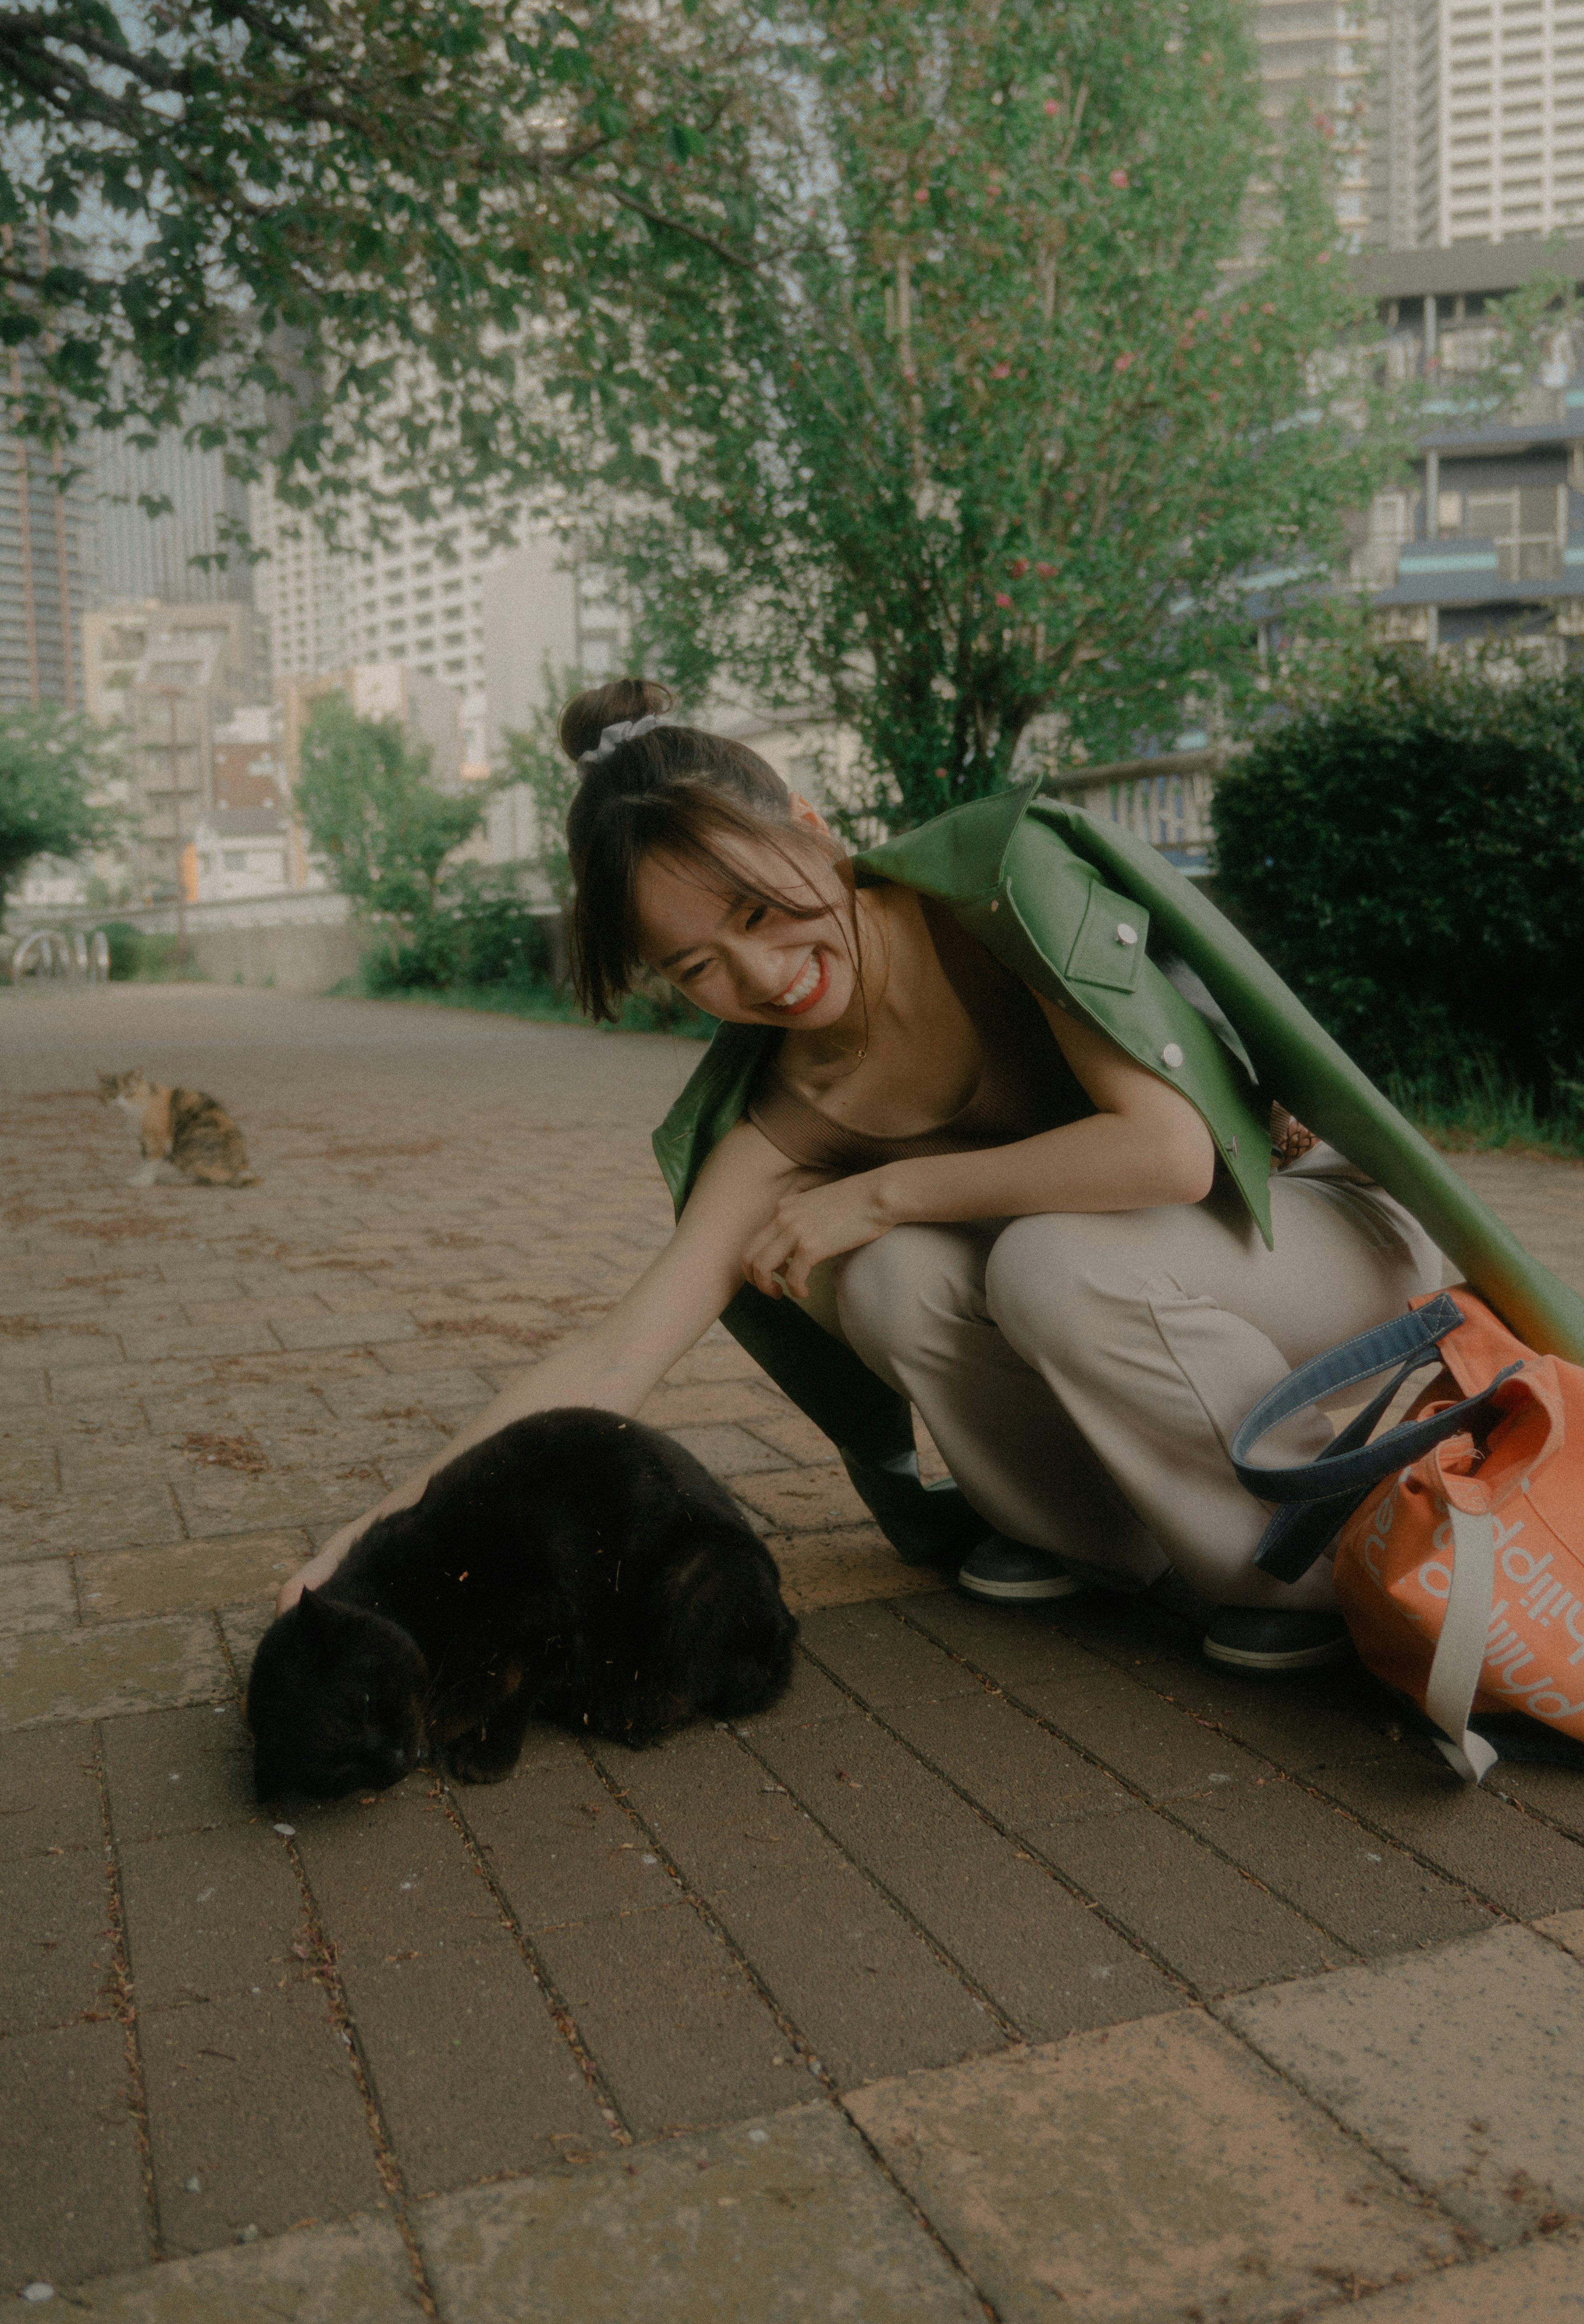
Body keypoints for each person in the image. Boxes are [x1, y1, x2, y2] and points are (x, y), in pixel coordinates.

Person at [277, 678, 1489, 1672]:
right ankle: (1095, 1535)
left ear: (813, 830)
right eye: (698, 965)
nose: (761, 976)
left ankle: (1312, 1567)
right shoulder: (785, 1111)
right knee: (890, 1282)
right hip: (1155, 1292)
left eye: (760, 907)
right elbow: (614, 1357)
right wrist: (376, 1538)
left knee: (1022, 1256)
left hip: (1315, 1233)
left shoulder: (995, 900)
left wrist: (882, 1190)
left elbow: (1168, 1153)